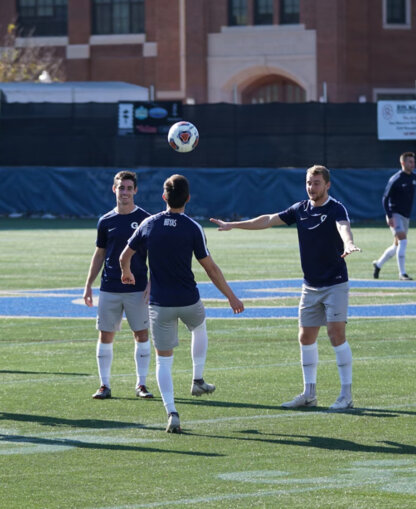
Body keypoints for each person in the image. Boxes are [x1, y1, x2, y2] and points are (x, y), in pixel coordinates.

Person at [211, 165, 361, 410]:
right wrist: (233, 225)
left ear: (327, 185)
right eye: (309, 183)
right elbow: (268, 220)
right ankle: (309, 394)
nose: (311, 187)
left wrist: (349, 243)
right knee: (305, 337)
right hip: (310, 285)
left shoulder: (336, 208)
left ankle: (346, 396)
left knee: (336, 335)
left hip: (335, 284)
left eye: (316, 183)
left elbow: (343, 227)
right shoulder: (300, 209)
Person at [120, 174, 244, 433]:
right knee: (199, 327)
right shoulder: (192, 227)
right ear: (188, 198)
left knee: (164, 360)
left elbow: (125, 256)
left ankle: (172, 411)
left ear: (164, 197)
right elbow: (210, 268)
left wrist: (127, 273)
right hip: (188, 299)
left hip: (160, 303)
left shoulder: (148, 223)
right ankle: (198, 379)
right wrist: (231, 296)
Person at [83, 170, 154, 400]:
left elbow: (156, 254)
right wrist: (88, 284)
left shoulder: (146, 219)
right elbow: (99, 253)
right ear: (114, 189)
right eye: (121, 187)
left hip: (137, 289)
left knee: (141, 335)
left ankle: (141, 385)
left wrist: (152, 283)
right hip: (110, 287)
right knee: (105, 336)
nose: (125, 192)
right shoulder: (105, 221)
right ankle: (104, 385)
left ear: (135, 191)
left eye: (129, 188)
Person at [373, 151, 416, 281]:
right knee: (403, 241)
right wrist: (389, 215)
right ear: (403, 163)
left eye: (413, 161)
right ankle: (402, 274)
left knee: (397, 246)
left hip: (405, 216)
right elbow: (385, 199)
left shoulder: (413, 177)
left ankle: (378, 264)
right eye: (410, 161)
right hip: (395, 214)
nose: (413, 164)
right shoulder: (396, 179)